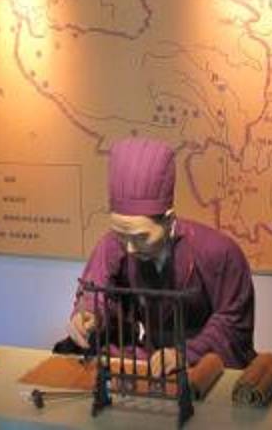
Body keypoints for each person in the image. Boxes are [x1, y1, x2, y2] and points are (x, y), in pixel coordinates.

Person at [67, 136, 255, 374]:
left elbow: (232, 324)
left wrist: (186, 353)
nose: (129, 248)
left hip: (202, 365)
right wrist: (88, 315)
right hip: (150, 360)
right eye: (122, 235)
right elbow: (96, 293)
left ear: (168, 219)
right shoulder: (113, 245)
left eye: (141, 237)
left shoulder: (219, 252)